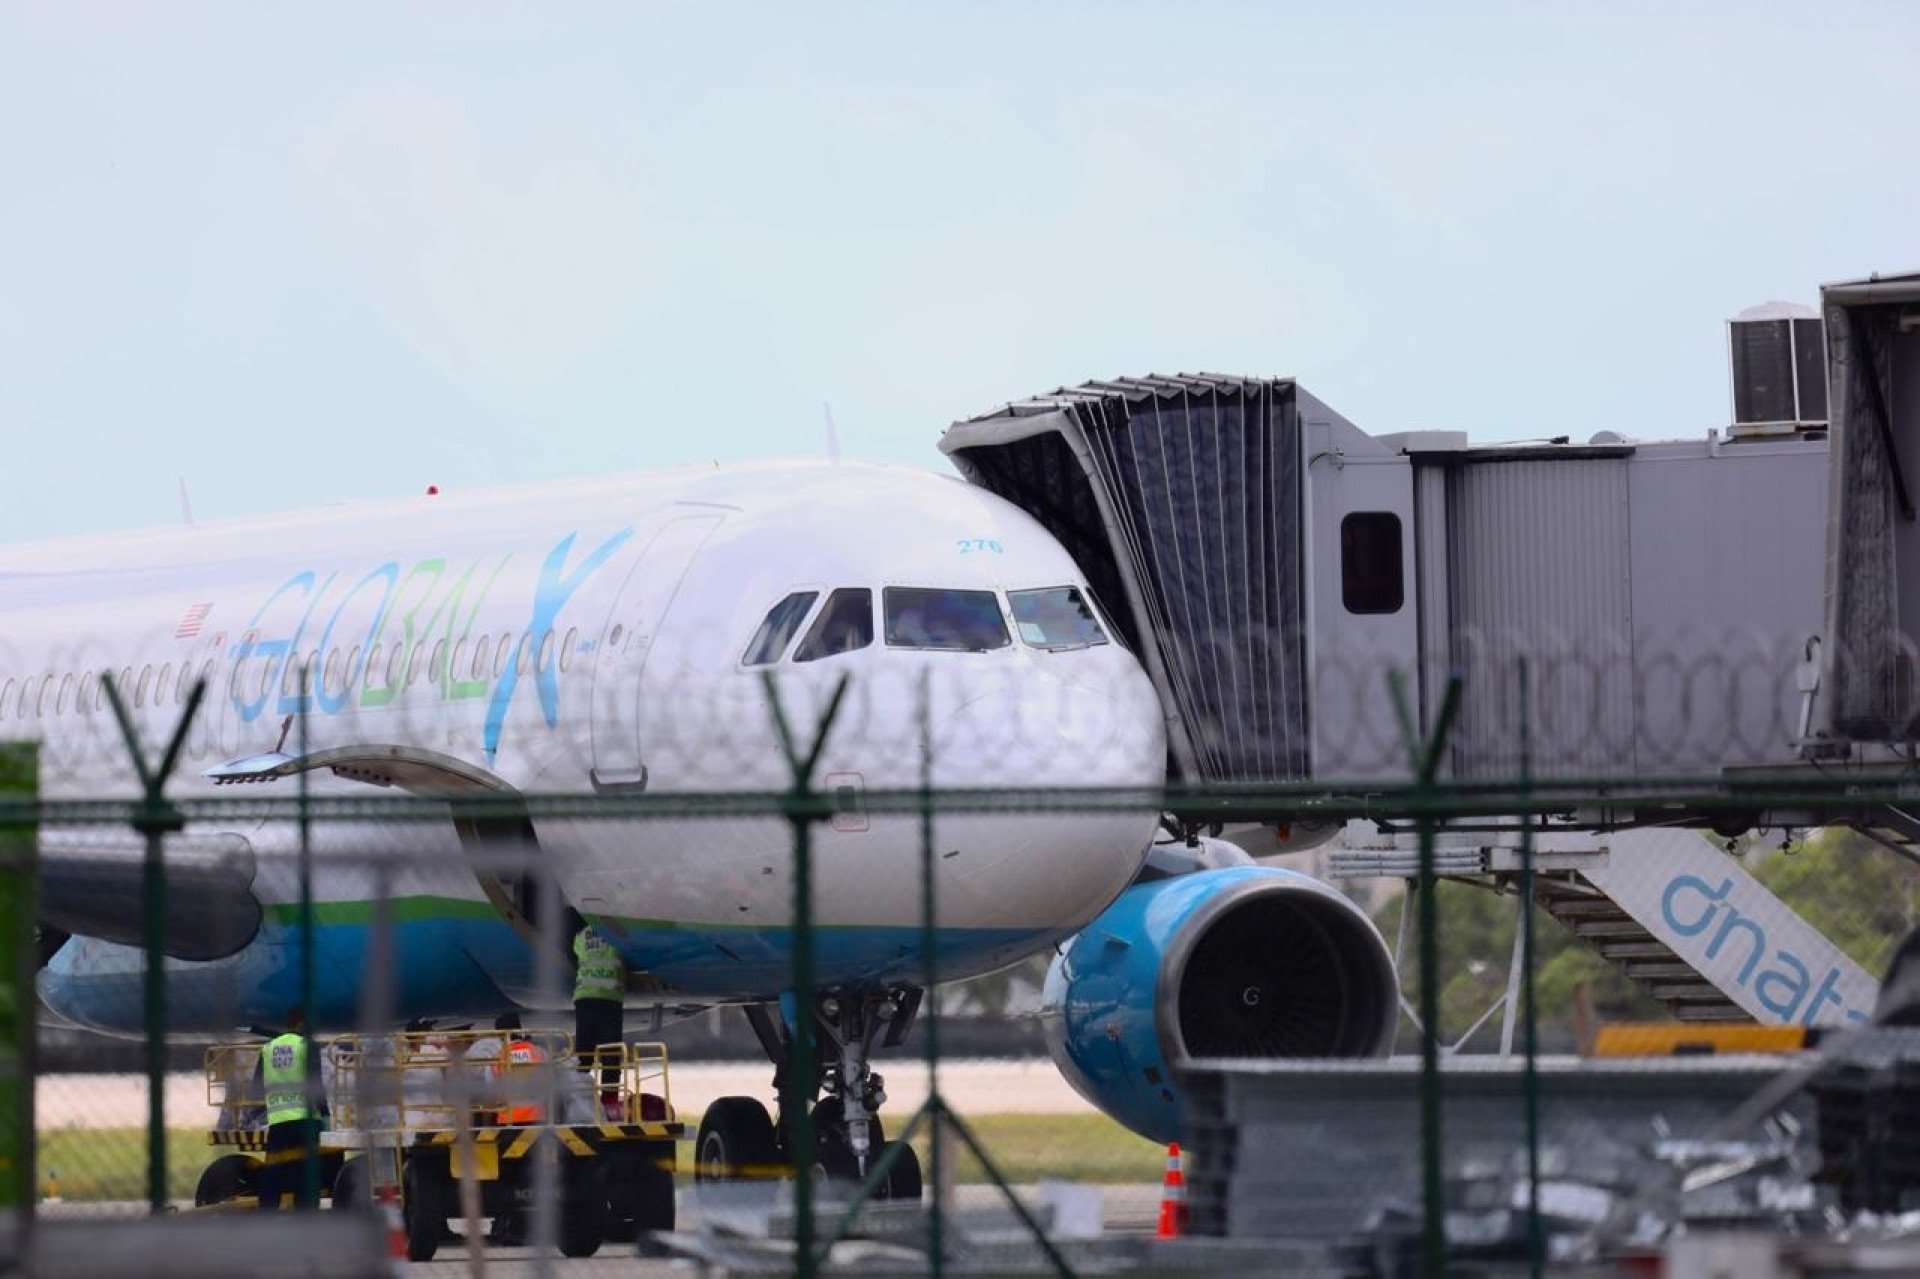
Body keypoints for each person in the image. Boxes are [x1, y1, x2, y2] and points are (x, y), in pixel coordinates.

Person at [258, 1006, 322, 1211]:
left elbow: (257, 1083)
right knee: (306, 1168)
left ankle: (267, 1209)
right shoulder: (306, 1046)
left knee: (274, 1168)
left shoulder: (268, 1048)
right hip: (305, 1118)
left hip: (278, 1118)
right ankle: (305, 1211)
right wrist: (326, 1112)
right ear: (301, 1023)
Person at [572, 921, 626, 1119]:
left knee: (583, 1055)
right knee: (610, 1056)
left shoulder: (581, 936)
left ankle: (577, 1102)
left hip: (584, 998)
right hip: (609, 998)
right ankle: (609, 1104)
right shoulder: (615, 931)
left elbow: (577, 953)